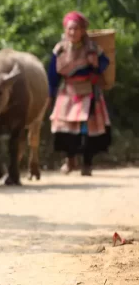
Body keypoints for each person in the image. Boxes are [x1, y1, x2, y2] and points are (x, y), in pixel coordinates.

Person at [48, 11, 112, 176]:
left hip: (88, 92)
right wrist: (51, 92)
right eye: (70, 29)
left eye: (76, 29)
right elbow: (53, 73)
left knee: (87, 130)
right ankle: (70, 160)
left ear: (83, 31)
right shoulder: (60, 49)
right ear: (65, 30)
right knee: (66, 129)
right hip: (67, 92)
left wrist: (95, 67)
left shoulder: (92, 48)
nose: (72, 32)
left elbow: (105, 62)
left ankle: (87, 163)